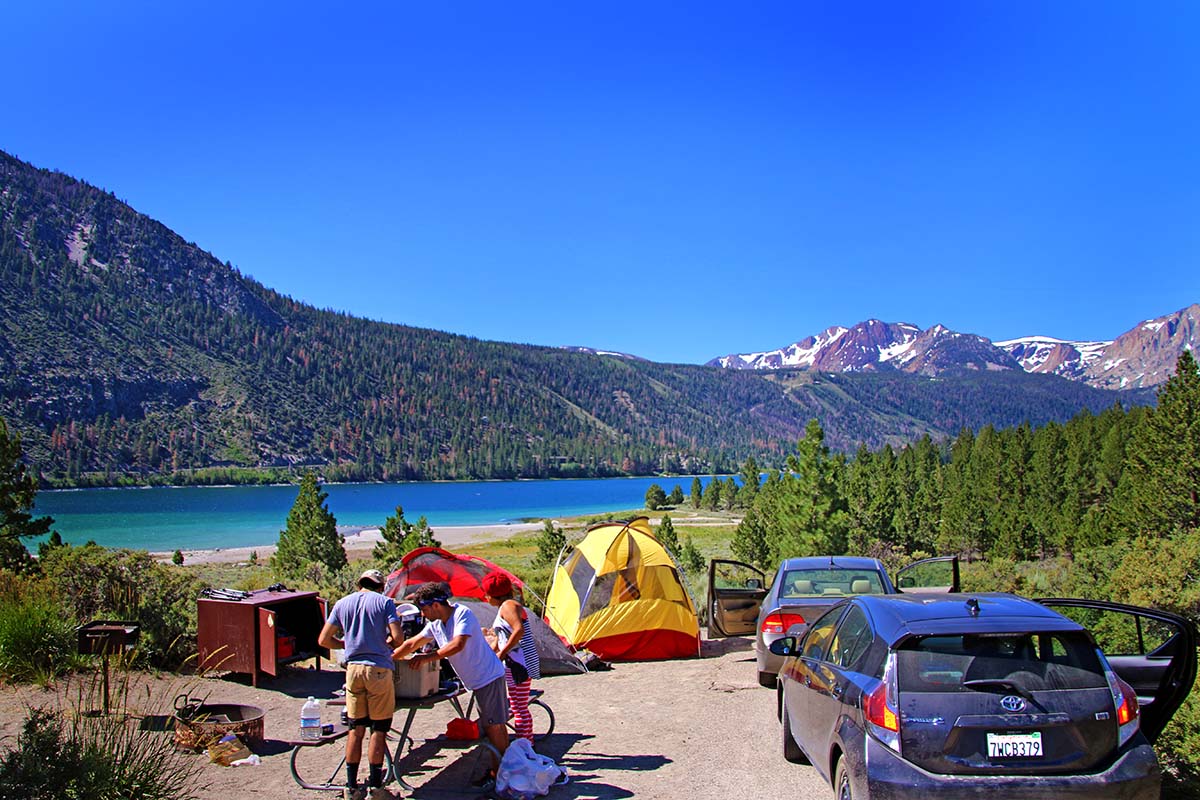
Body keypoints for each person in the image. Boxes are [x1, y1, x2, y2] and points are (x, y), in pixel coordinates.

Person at [393, 581, 508, 782]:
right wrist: (389, 660)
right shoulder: (436, 624)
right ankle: (502, 771)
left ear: (436, 605)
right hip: (477, 681)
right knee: (493, 726)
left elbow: (458, 644)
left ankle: (501, 774)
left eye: (424, 609)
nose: (422, 614)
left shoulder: (462, 614)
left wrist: (425, 658)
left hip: (487, 677)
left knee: (494, 727)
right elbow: (413, 642)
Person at [318, 569, 403, 800]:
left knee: (355, 729)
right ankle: (376, 788)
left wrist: (347, 643)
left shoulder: (342, 603)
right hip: (378, 669)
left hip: (352, 670)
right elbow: (398, 639)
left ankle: (351, 788)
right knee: (379, 729)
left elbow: (323, 640)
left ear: (359, 585)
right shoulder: (385, 603)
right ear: (381, 586)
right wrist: (383, 643)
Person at [482, 570, 541, 742]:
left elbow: (519, 630)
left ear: (494, 595)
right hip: (518, 661)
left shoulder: (508, 606)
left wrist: (502, 652)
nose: (485, 598)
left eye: (486, 594)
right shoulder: (508, 605)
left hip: (518, 663)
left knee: (519, 708)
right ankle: (526, 742)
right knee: (518, 706)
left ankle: (525, 746)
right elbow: (505, 635)